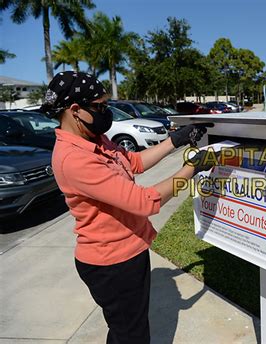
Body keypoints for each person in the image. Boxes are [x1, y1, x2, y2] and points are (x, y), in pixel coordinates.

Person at [40, 71, 215, 344]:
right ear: (74, 110)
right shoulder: (73, 159)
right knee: (131, 335)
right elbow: (143, 202)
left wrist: (174, 140)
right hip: (111, 264)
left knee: (127, 331)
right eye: (99, 107)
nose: (106, 112)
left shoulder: (93, 139)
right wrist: (191, 169)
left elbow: (133, 162)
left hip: (127, 253)